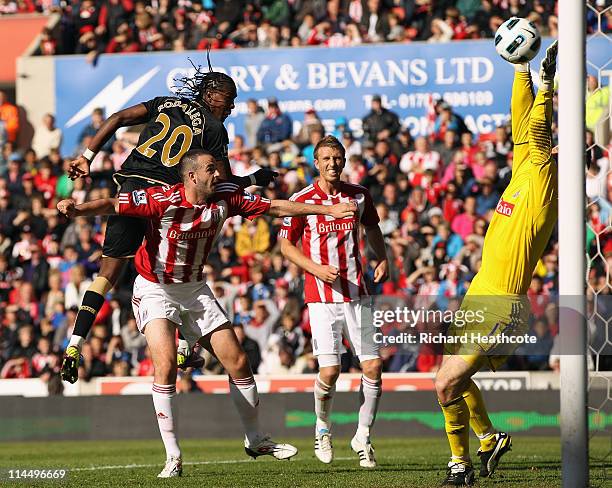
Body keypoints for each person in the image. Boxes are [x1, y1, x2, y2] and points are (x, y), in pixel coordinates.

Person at [57, 149, 356, 477]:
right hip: (155, 288)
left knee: (239, 361)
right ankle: (173, 456)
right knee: (166, 366)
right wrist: (77, 210)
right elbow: (115, 203)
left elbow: (274, 207)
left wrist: (327, 209)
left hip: (195, 289)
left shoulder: (226, 197)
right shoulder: (162, 199)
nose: (218, 174)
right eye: (211, 169)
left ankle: (255, 439)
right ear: (192, 176)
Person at [61, 63, 278, 384]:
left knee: (106, 275)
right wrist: (255, 178)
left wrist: (87, 156)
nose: (231, 106)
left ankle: (75, 342)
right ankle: (183, 345)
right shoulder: (214, 130)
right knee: (191, 256)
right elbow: (224, 185)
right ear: (210, 94)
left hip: (131, 190)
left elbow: (118, 118)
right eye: (228, 99)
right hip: (165, 202)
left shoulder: (164, 102)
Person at [435, 41, 559, 486]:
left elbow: (538, 127)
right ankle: (488, 439)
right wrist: (522, 71)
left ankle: (460, 467)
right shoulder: (525, 164)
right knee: (451, 379)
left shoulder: (543, 178)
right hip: (479, 294)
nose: (525, 140)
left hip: (501, 303)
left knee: (445, 385)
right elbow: (522, 122)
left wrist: (545, 84)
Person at [278, 135, 388, 468]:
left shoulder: (359, 195)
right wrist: (314, 269)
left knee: (373, 366)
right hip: (322, 297)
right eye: (326, 158)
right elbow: (286, 245)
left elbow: (373, 229)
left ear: (344, 160)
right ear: (316, 162)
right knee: (331, 370)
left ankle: (363, 436)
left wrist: (381, 258)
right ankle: (322, 427)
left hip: (358, 293)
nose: (332, 164)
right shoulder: (302, 200)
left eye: (337, 158)